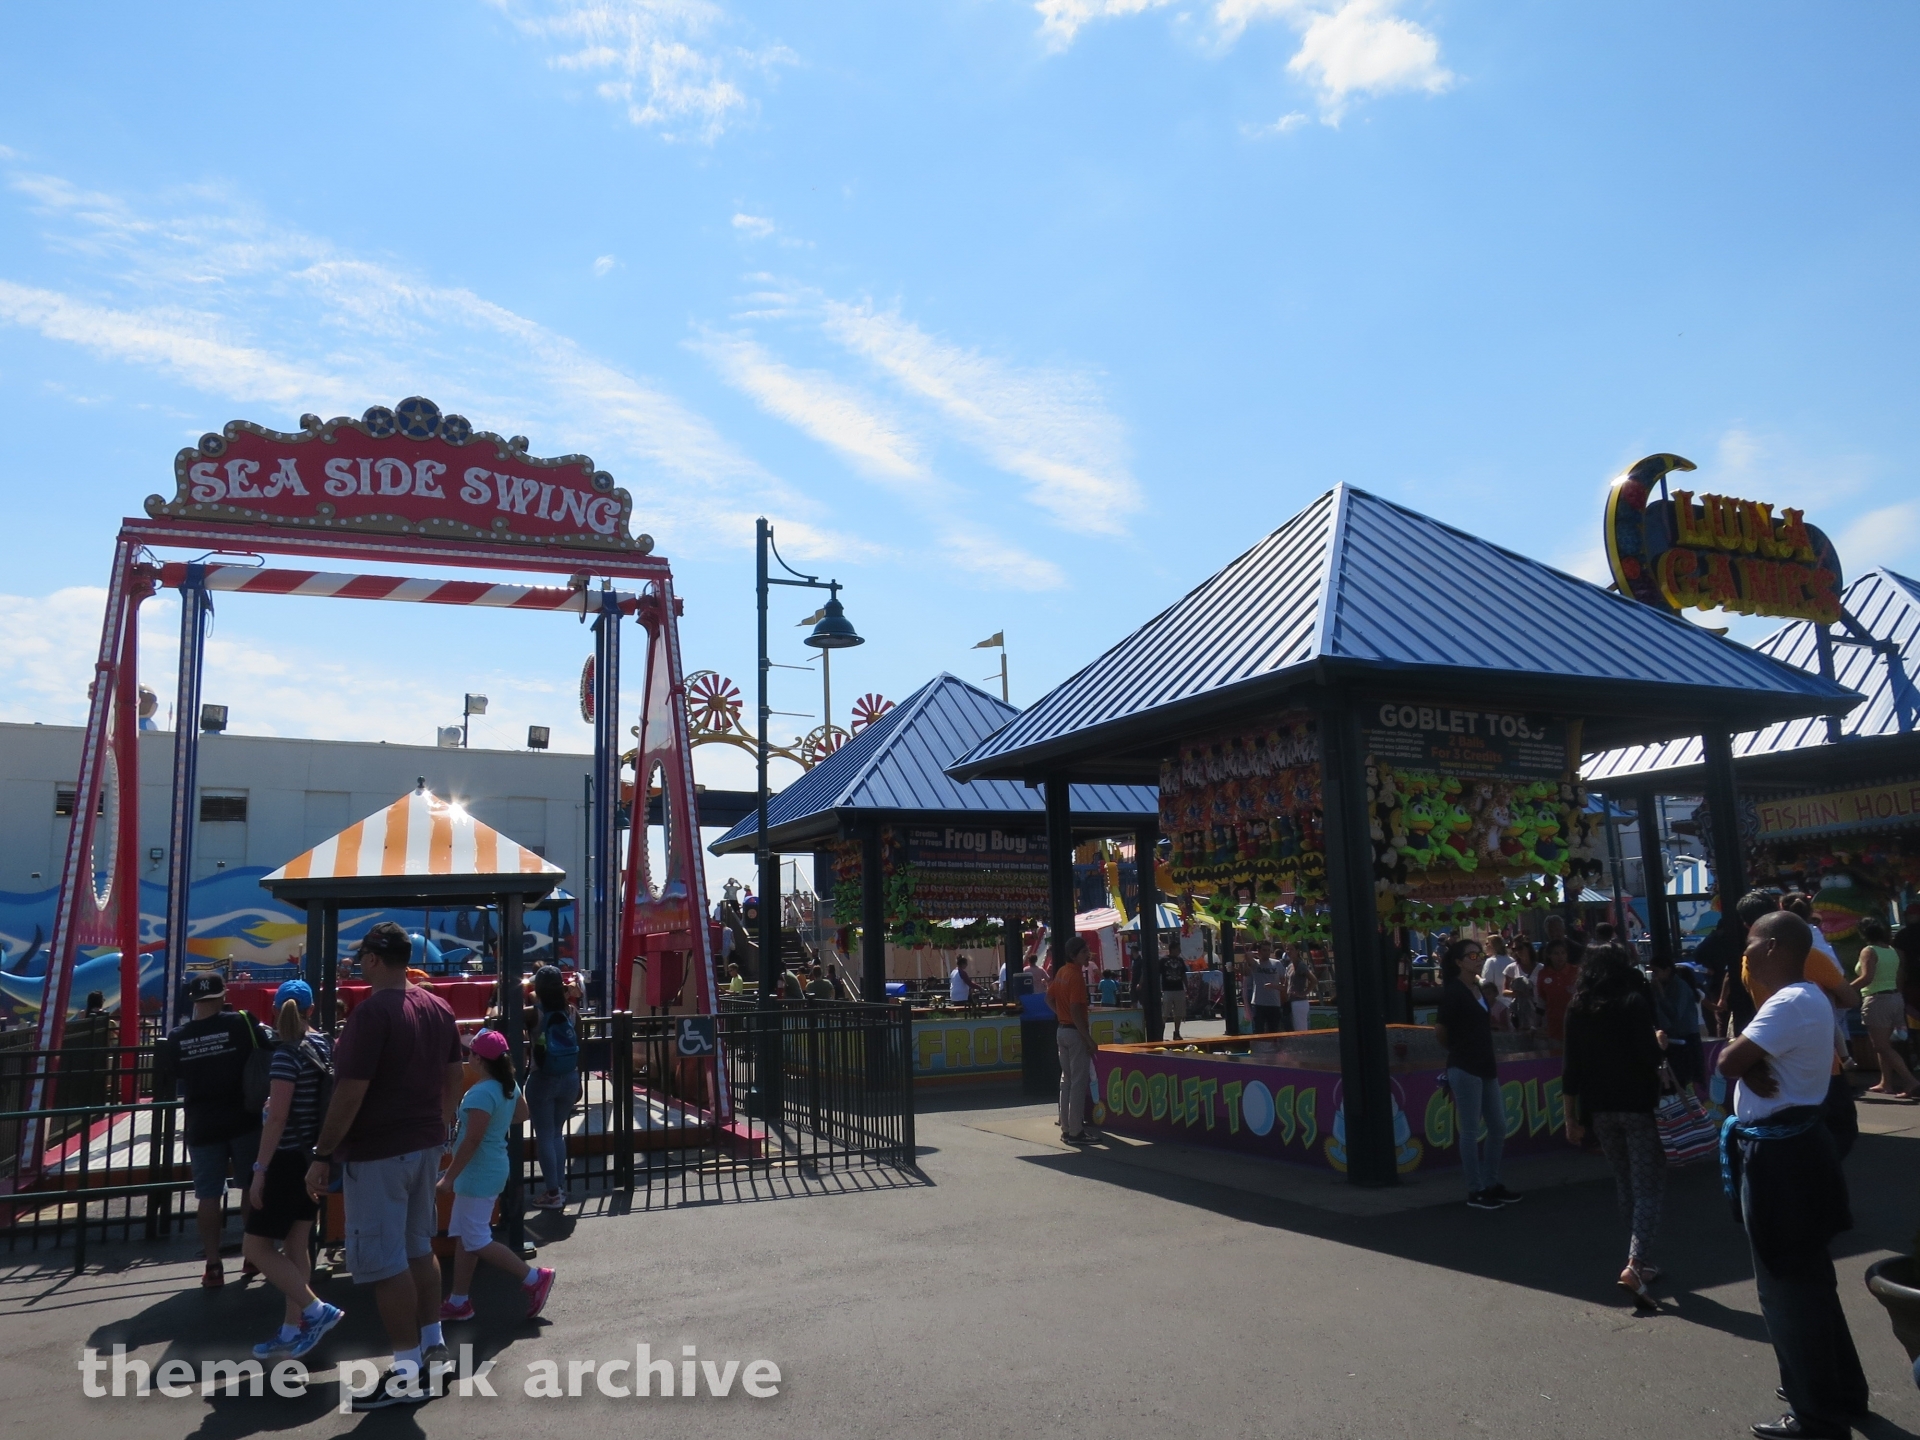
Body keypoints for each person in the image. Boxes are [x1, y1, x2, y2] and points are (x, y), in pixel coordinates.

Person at [1716, 911, 1868, 1440]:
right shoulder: (1802, 1001)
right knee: (1810, 1283)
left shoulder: (1790, 1000)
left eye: (1752, 943)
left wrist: (1743, 1061)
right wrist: (1748, 1062)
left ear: (1774, 947)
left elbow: (1729, 1061)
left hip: (1783, 1161)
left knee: (1786, 1291)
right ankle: (1841, 1393)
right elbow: (1744, 1062)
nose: (1745, 952)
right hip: (1797, 1152)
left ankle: (1816, 1415)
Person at [304, 921, 464, 1409]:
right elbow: (455, 1077)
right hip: (423, 1145)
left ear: (375, 959)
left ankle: (406, 1370)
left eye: (361, 957)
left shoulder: (372, 1014)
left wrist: (322, 1154)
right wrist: (442, 1131)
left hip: (377, 1151)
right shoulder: (438, 1006)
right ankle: (433, 1347)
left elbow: (350, 1091)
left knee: (384, 1261)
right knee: (419, 1248)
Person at [242, 980, 345, 1360]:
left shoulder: (286, 1054)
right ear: (312, 1010)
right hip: (311, 1159)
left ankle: (316, 1310)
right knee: (298, 1244)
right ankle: (291, 1328)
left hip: (285, 1161)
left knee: (256, 1246)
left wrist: (259, 1168)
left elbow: (278, 1117)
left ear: (274, 1011)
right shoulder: (325, 1046)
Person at [1560, 945, 1666, 1305]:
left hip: (1599, 1108)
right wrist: (1659, 1043)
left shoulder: (1577, 1007)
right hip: (1636, 1104)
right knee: (1647, 1185)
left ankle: (1643, 1259)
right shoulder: (1632, 1002)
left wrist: (1570, 1118)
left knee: (1624, 1181)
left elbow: (1570, 1067)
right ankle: (1636, 1264)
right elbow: (1650, 1057)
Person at [154, 972, 272, 1289]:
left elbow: (175, 1074)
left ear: (193, 1001)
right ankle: (253, 1255)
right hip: (244, 1118)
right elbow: (267, 1047)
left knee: (208, 1195)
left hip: (203, 1123)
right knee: (250, 1187)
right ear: (222, 996)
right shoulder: (241, 1023)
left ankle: (213, 1264)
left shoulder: (178, 1037)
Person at [437, 1030, 555, 1324]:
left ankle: (533, 1277)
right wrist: (496, 1123)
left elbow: (472, 1140)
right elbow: (522, 1114)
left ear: (479, 1059)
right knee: (467, 1237)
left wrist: (449, 1177)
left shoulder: (480, 1092)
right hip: (489, 1168)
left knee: (475, 1238)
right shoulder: (507, 1085)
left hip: (478, 1173)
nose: (468, 1056)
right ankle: (458, 1300)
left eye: (471, 1053)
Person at [1433, 939, 1518, 1210]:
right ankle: (1476, 1189)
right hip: (1465, 1065)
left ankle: (1491, 1183)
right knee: (1470, 1130)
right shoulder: (1453, 992)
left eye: (1479, 954)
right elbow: (1441, 1031)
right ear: (1458, 962)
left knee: (1498, 1126)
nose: (1477, 958)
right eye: (1471, 955)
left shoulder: (1479, 988)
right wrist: (1458, 1050)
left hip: (1486, 1064)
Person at [525, 965, 580, 1211]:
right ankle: (560, 1188)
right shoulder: (571, 1011)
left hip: (542, 1077)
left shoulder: (533, 1013)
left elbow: (503, 1019)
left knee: (545, 1135)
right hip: (569, 1077)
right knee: (557, 1133)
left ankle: (552, 1192)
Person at [1851, 917, 1916, 1098]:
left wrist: (1844, 989)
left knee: (1881, 1046)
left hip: (1877, 1000)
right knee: (1885, 1044)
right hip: (1895, 997)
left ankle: (1911, 1081)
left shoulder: (1869, 951)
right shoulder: (1892, 951)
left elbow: (1867, 977)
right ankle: (1885, 1082)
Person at [1710, 890, 1781, 1036]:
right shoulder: (1801, 949)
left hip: (1758, 1026)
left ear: (1746, 923)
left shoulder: (1747, 956)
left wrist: (1722, 999)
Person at [1050, 937, 1096, 1144]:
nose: (1088, 954)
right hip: (1075, 1033)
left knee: (1066, 1081)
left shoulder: (1061, 972)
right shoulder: (1076, 976)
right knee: (1078, 1082)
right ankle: (1076, 1131)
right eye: (1084, 951)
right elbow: (1077, 1010)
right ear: (1074, 955)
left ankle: (1067, 1127)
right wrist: (1088, 1038)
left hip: (1062, 1029)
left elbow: (1048, 998)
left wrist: (1061, 1013)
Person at [1648, 951, 1704, 1087]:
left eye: (1656, 972)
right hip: (1671, 1039)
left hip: (1687, 1039)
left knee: (1688, 1081)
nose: (1654, 976)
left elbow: (1675, 1014)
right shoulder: (1660, 986)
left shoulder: (1680, 987)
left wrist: (1661, 994)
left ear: (1667, 970)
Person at [1533, 937, 1576, 1042]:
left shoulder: (1576, 972)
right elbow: (1541, 1002)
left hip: (1575, 1025)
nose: (1560, 956)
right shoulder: (1543, 974)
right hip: (1553, 1026)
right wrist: (1534, 1026)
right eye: (1556, 953)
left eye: (1563, 953)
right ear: (1549, 955)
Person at [1246, 943, 1287, 1034]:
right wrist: (1256, 953)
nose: (1267, 953)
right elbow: (1247, 955)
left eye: (1268, 950)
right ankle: (1259, 1048)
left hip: (1274, 1003)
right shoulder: (1255, 964)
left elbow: (1285, 986)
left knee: (1274, 1031)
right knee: (1258, 1030)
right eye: (1264, 950)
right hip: (1258, 1003)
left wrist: (1273, 986)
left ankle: (1274, 1048)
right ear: (1259, 951)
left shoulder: (1277, 964)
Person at [1503, 936, 1541, 1033]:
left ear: (1528, 948)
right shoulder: (1511, 968)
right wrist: (1519, 993)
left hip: (1537, 1009)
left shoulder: (1541, 968)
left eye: (1520, 948)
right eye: (1514, 949)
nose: (1517, 951)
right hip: (1519, 1010)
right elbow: (1505, 992)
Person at [1158, 936, 1189, 1041]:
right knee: (1165, 1012)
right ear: (1173, 949)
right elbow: (1159, 974)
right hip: (1167, 989)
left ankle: (1176, 1032)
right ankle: (1160, 1031)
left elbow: (1183, 974)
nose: (1179, 951)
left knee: (1179, 1012)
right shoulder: (1163, 960)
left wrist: (1187, 986)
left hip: (1179, 988)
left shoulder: (1180, 960)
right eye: (1178, 949)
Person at [1287, 946, 1315, 1034]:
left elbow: (1314, 980)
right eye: (1287, 949)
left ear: (1297, 951)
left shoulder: (1301, 965)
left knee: (1301, 1029)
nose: (1289, 951)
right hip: (1290, 1000)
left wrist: (1304, 993)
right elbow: (1285, 985)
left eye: (1291, 949)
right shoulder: (1290, 966)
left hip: (1299, 1002)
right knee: (1294, 1028)